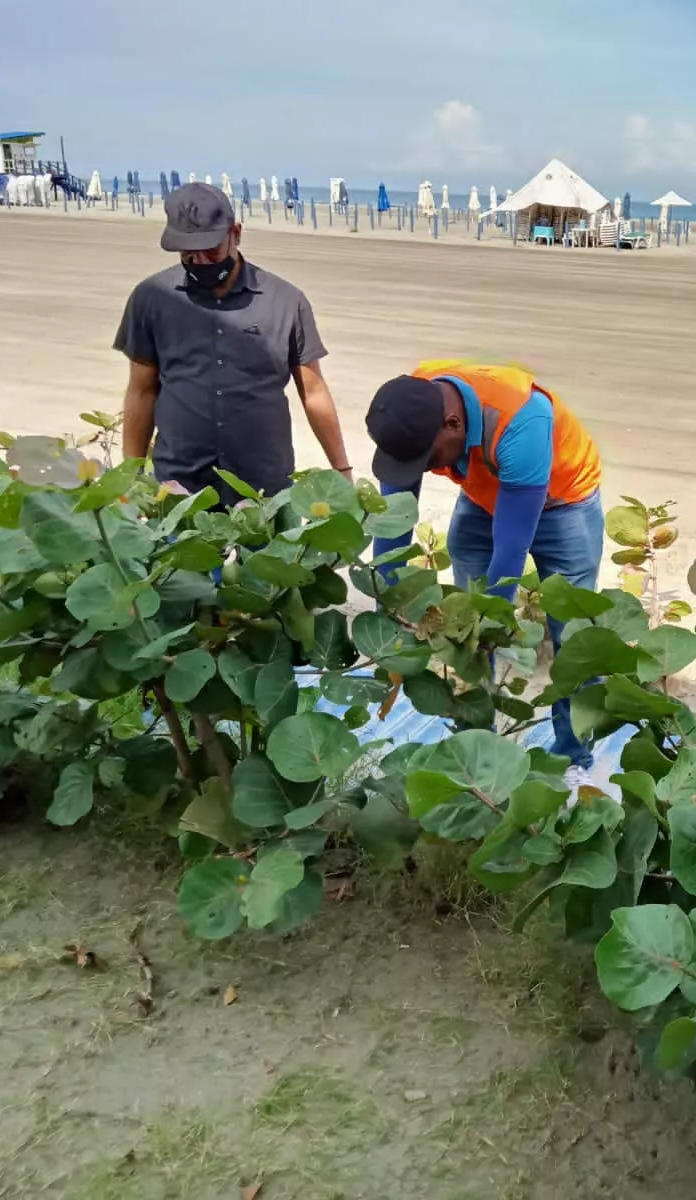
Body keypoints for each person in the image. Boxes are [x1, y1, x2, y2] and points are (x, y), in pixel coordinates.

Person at [366, 361, 604, 786]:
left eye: (426, 460)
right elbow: (394, 521)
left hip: (562, 500)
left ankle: (574, 761)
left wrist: (490, 620)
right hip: (485, 490)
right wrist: (390, 600)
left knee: (575, 638)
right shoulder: (413, 405)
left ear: (453, 423)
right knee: (464, 634)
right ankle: (474, 750)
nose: (420, 470)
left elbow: (510, 551)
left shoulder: (520, 422)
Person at [115, 182, 354, 497]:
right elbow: (142, 391)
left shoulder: (286, 300)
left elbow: (313, 392)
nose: (200, 261)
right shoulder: (151, 298)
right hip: (178, 487)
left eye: (211, 250)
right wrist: (131, 478)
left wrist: (341, 469)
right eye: (188, 253)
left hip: (263, 486)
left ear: (236, 233)